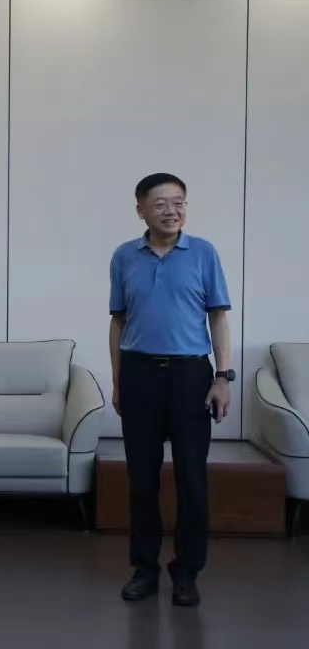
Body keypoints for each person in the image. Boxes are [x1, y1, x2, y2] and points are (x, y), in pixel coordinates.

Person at [110, 172, 233, 608]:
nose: (171, 211)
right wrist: (118, 381)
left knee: (191, 478)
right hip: (139, 374)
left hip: (190, 376)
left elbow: (218, 316)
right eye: (161, 203)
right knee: (141, 479)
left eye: (179, 202)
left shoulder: (203, 253)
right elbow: (118, 321)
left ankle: (187, 572)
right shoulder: (124, 256)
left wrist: (223, 377)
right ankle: (144, 568)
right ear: (140, 209)